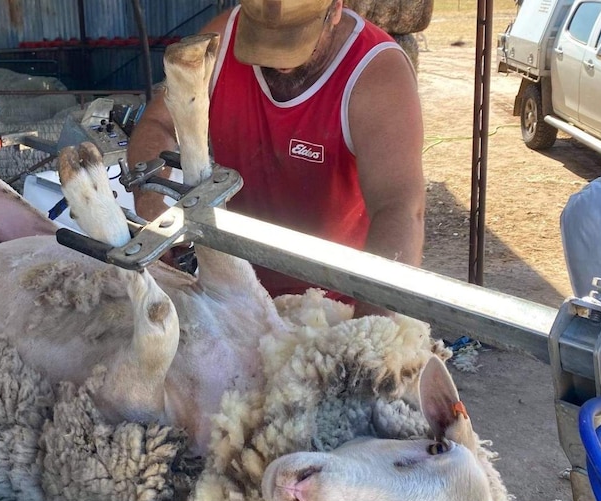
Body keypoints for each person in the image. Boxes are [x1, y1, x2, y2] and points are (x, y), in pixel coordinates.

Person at [126, 0, 426, 318]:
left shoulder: (376, 73)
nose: (281, 63)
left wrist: (369, 332)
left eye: (296, 40)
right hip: (237, 290)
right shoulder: (221, 38)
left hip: (336, 303)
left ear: (335, 9)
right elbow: (159, 122)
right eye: (264, 41)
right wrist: (152, 199)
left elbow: (400, 208)